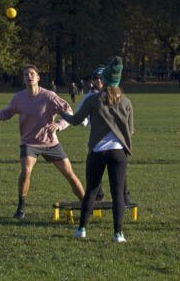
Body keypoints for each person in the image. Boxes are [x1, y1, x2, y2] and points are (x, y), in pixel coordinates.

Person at [0, 64, 85, 219]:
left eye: (32, 74)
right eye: (26, 74)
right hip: (29, 143)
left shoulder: (49, 96)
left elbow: (69, 111)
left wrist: (58, 125)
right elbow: (7, 113)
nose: (29, 76)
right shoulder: (19, 98)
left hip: (51, 143)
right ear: (23, 79)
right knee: (26, 171)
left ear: (38, 78)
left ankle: (86, 204)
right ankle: (21, 207)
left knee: (70, 174)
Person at [59, 56, 133, 243]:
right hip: (118, 152)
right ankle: (118, 234)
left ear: (105, 80)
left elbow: (76, 121)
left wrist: (62, 114)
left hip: (97, 152)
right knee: (118, 194)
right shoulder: (126, 102)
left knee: (91, 191)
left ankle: (81, 229)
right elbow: (130, 129)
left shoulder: (93, 100)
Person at [77, 64, 131, 204]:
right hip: (97, 142)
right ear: (93, 80)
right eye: (96, 78)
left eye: (101, 78)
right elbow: (81, 120)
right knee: (94, 174)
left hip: (116, 142)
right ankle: (97, 195)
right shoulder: (90, 97)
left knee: (119, 175)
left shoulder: (117, 95)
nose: (99, 81)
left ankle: (124, 196)